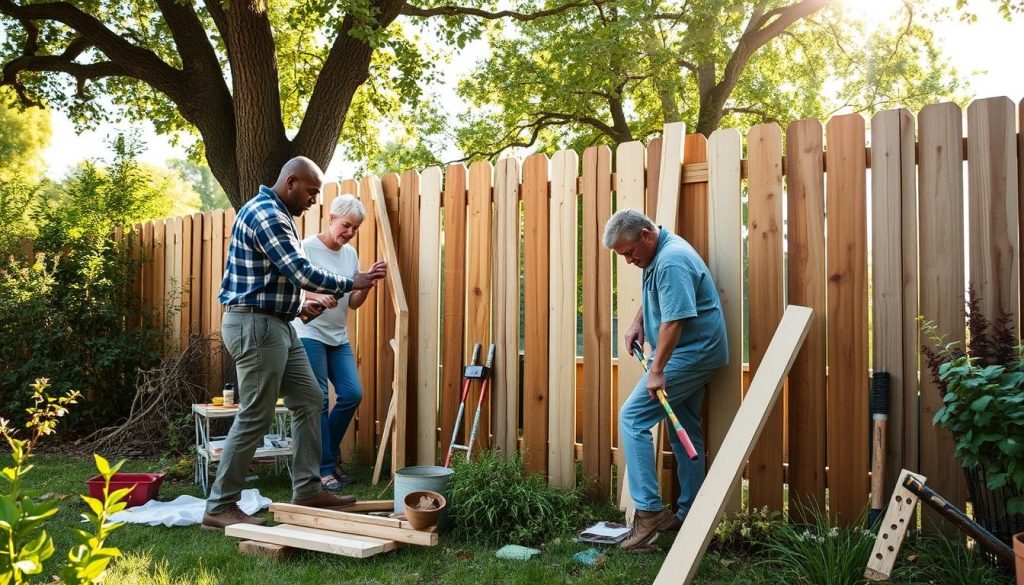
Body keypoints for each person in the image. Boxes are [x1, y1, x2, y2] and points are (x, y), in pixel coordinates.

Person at [202, 157, 387, 531]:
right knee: (255, 413)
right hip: (255, 326)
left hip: (278, 324)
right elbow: (300, 271)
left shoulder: (278, 214)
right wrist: (354, 281)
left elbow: (272, 280)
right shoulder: (269, 215)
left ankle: (307, 488)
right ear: (291, 182)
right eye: (312, 192)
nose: (315, 201)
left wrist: (298, 305)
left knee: (310, 399)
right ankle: (220, 506)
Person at [603, 209, 728, 551]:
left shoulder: (671, 260)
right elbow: (660, 297)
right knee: (684, 426)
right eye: (623, 256)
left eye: (629, 252)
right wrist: (637, 322)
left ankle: (649, 513)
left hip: (693, 353)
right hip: (690, 351)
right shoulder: (657, 253)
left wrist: (656, 371)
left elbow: (675, 320)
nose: (628, 260)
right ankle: (690, 514)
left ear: (646, 234)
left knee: (632, 419)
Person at [292, 194, 370, 491]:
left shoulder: (350, 255)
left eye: (355, 229)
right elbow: (295, 288)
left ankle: (326, 455)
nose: (349, 233)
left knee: (352, 394)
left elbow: (353, 303)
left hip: (338, 337)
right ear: (331, 218)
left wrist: (368, 283)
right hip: (309, 332)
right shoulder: (305, 248)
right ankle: (324, 469)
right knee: (320, 400)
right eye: (346, 225)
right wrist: (315, 296)